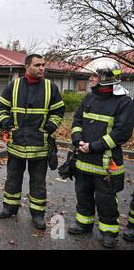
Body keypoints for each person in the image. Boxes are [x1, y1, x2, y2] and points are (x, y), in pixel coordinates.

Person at [68, 57, 133, 249]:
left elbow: (121, 134)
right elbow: (77, 121)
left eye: (95, 75)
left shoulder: (124, 102)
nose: (91, 78)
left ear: (106, 77)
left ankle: (109, 231)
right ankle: (84, 223)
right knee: (83, 192)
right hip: (83, 158)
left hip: (106, 162)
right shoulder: (89, 97)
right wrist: (77, 139)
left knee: (106, 198)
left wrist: (93, 146)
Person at [0, 54, 65, 230]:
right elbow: (2, 107)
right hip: (17, 142)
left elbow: (58, 112)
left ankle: (38, 214)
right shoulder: (14, 85)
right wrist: (8, 125)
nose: (42, 68)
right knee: (13, 178)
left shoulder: (51, 87)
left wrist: (49, 127)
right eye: (37, 65)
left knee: (38, 181)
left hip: (39, 144)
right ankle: (9, 207)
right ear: (27, 67)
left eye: (43, 65)